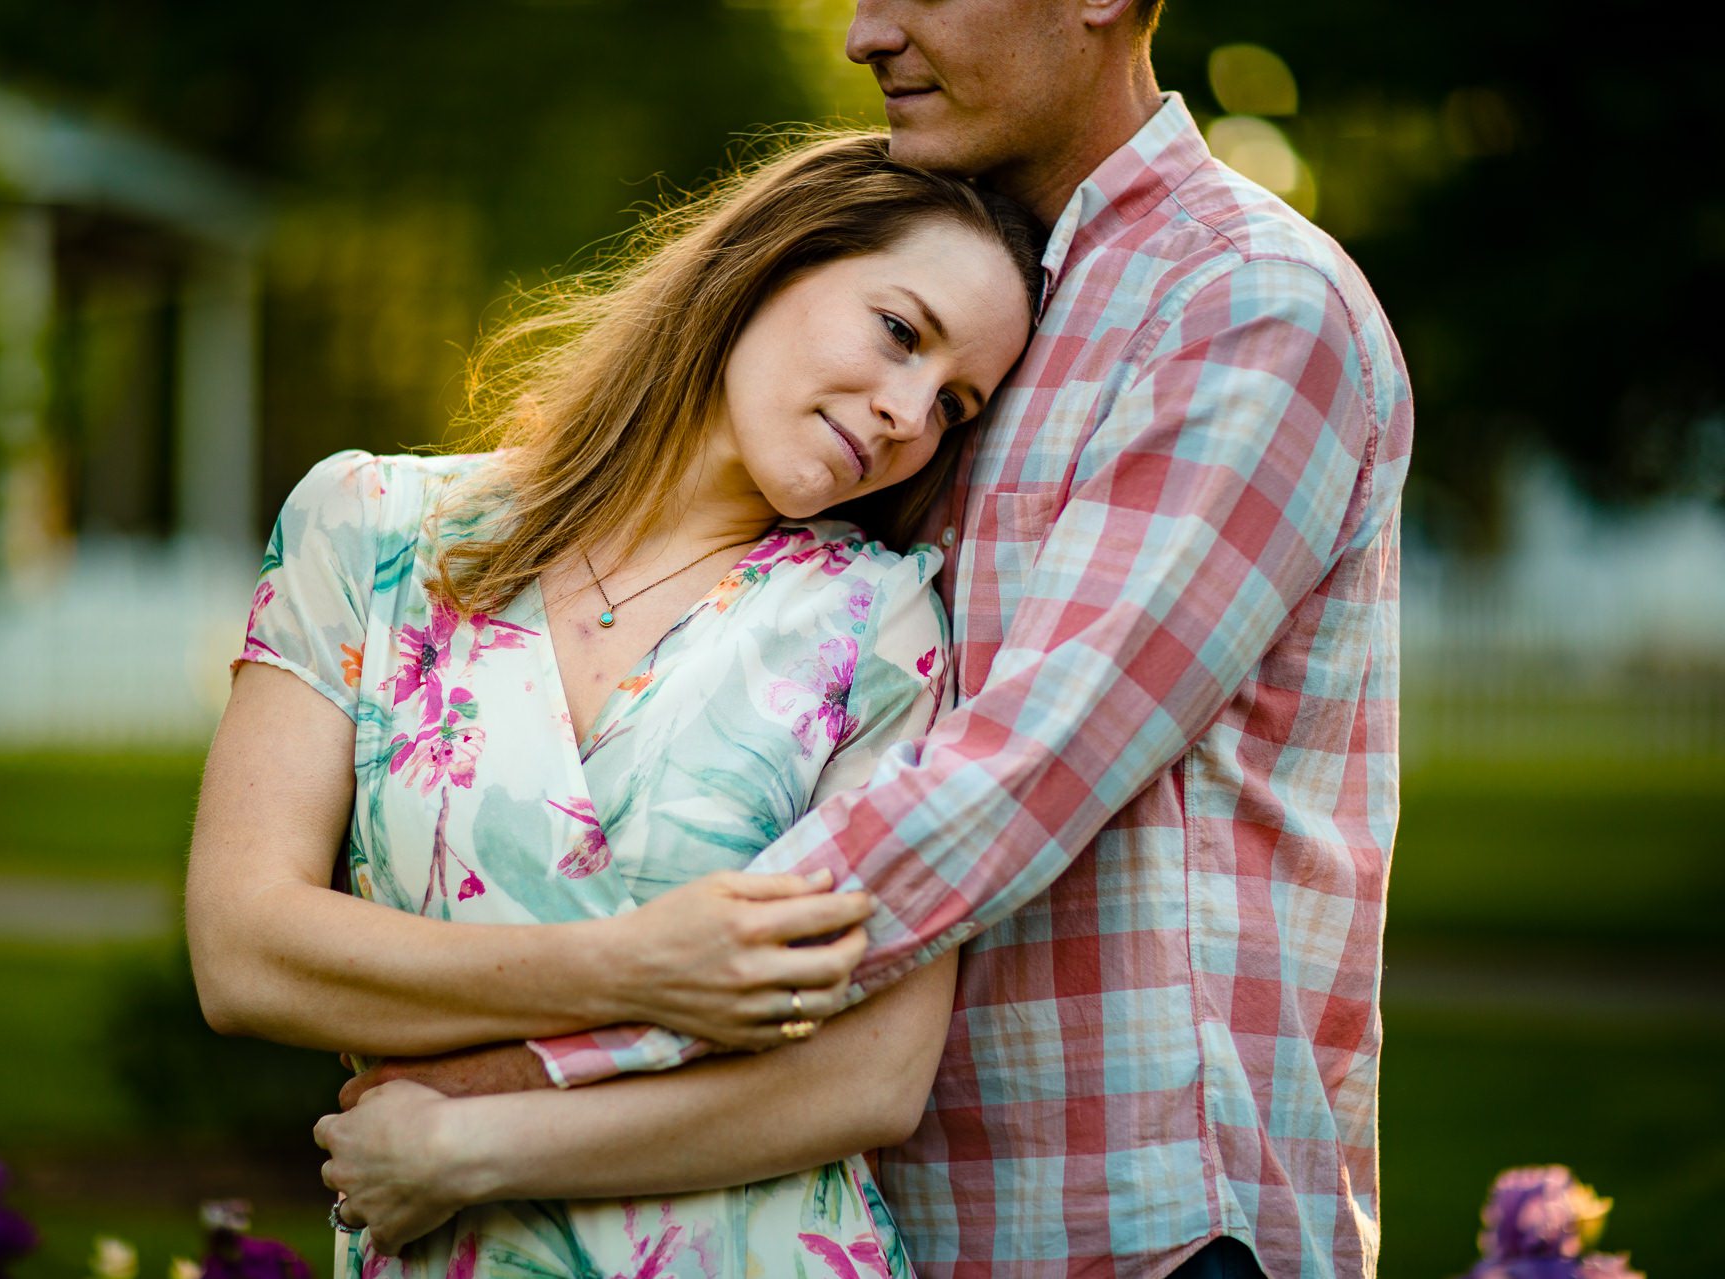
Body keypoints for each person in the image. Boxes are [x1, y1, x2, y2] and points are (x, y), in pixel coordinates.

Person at [312, 1, 1413, 1277]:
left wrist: (508, 1072)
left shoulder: (1242, 308)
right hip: (885, 1219)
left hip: (1138, 1221)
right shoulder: (985, 291)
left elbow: (1017, 776)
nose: (862, 33)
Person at [185, 133, 1045, 1279]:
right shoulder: (370, 532)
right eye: (899, 333)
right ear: (774, 259)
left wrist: (469, 1146)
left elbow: (866, 1078)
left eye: (955, 402)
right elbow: (244, 951)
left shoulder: (879, 629)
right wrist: (638, 965)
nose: (907, 413)